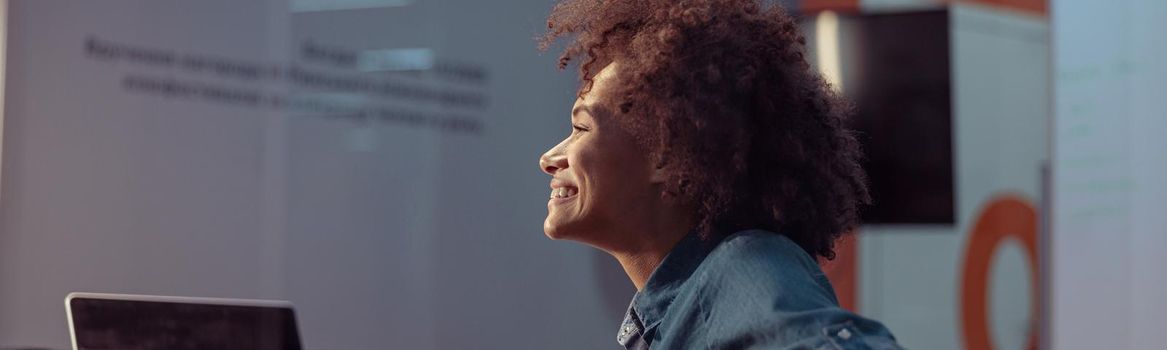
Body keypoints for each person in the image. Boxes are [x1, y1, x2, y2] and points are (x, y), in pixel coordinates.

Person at [537, 0, 903, 349]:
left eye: (581, 129)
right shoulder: (684, 310)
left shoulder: (743, 267)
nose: (549, 158)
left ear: (666, 155)